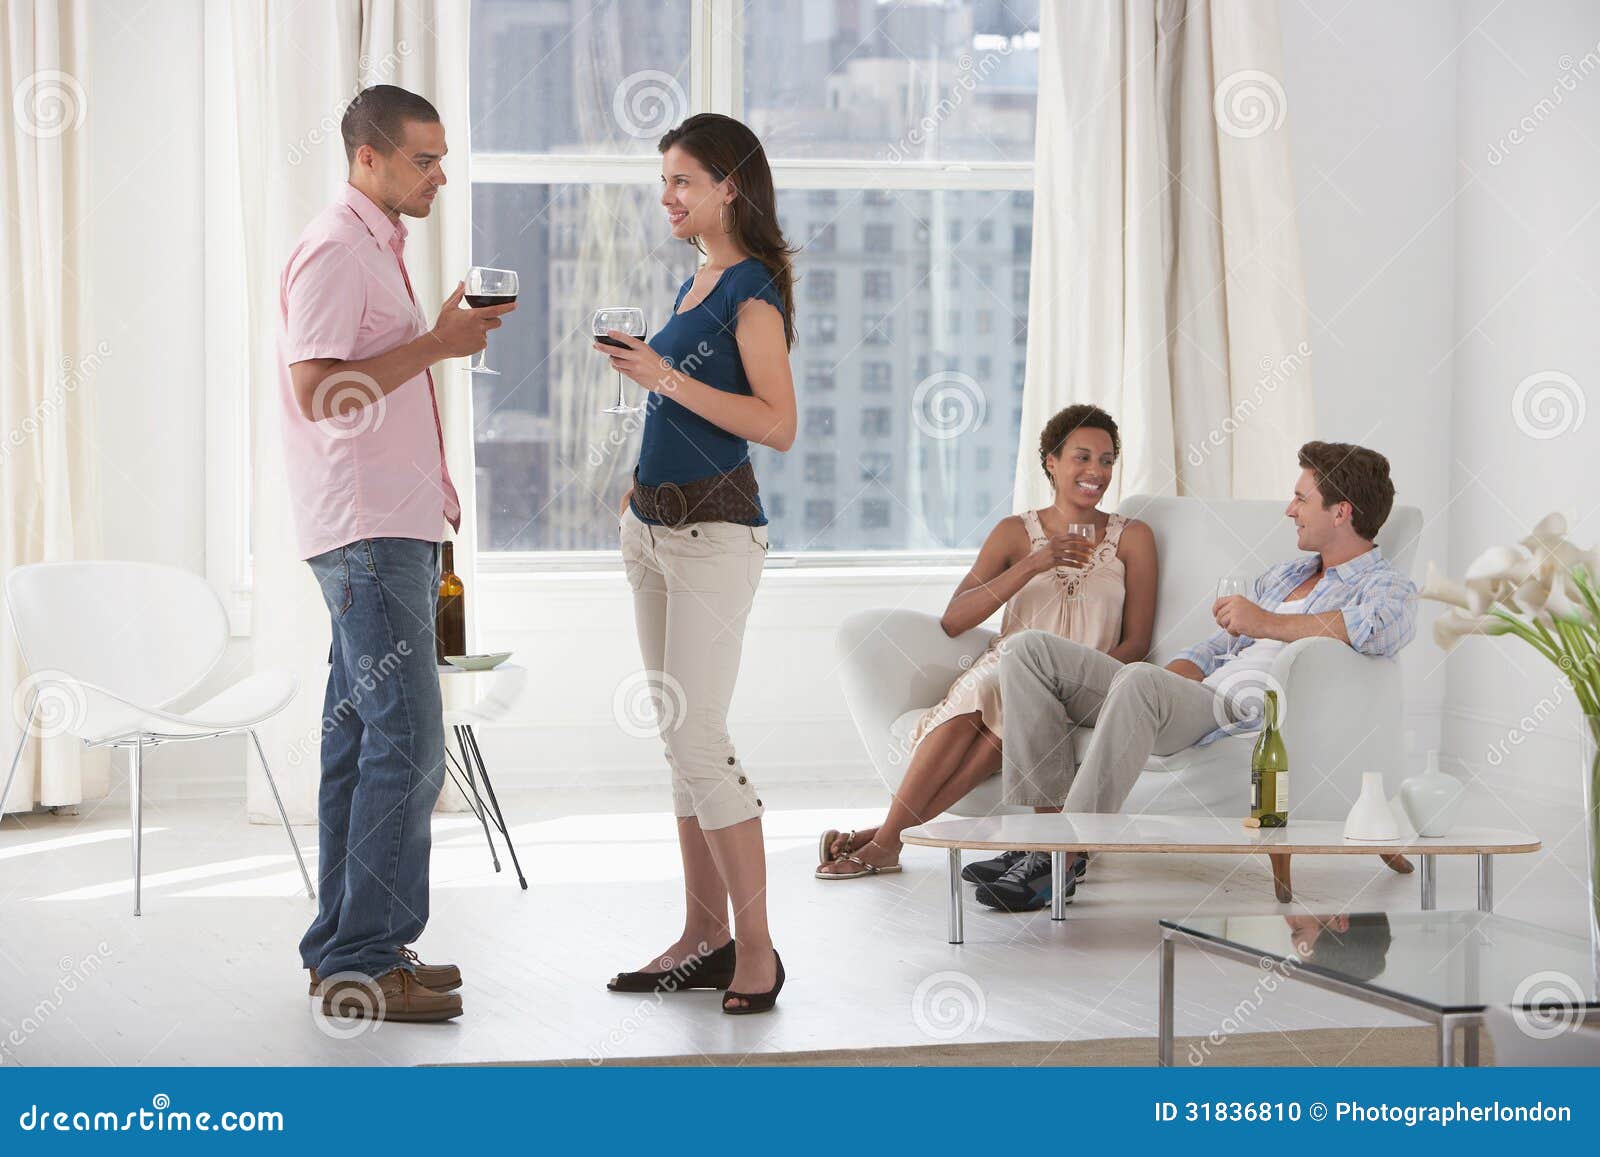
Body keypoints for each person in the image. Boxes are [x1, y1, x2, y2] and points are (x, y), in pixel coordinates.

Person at [280, 85, 515, 1023]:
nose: (441, 174)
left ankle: (345, 950)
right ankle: (368, 965)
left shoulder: (377, 247)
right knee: (412, 742)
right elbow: (315, 393)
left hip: (392, 523)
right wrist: (434, 345)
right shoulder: (338, 249)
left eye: (442, 155)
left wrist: (436, 337)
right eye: (424, 159)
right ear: (367, 157)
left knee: (360, 740)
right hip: (366, 528)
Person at [994, 441, 1419, 908]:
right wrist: (1166, 684)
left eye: (1301, 499)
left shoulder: (1385, 585)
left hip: (1238, 711)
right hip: (1193, 698)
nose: (1289, 510)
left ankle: (1064, 857)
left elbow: (1379, 630)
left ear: (1341, 512)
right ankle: (1037, 840)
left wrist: (1266, 623)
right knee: (1026, 650)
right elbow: (1212, 649)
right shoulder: (1285, 576)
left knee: (1138, 679)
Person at [600, 114, 797, 1015]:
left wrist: (661, 377)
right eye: (665, 181)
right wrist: (637, 493)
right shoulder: (698, 281)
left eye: (683, 180)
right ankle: (702, 935)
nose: (668, 195)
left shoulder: (751, 289)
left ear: (730, 187)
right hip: (651, 529)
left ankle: (756, 949)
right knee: (678, 741)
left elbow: (775, 424)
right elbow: (681, 415)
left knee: (699, 740)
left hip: (716, 537)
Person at [816, 404, 1158, 915]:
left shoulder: (1134, 537)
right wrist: (1034, 564)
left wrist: (1086, 680)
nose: (1096, 472)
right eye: (1082, 457)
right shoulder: (1014, 534)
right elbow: (955, 620)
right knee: (1002, 685)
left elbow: (1137, 643)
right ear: (1051, 462)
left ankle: (888, 835)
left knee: (1010, 685)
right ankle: (891, 839)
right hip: (1012, 672)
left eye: (1107, 460)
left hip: (1085, 678)